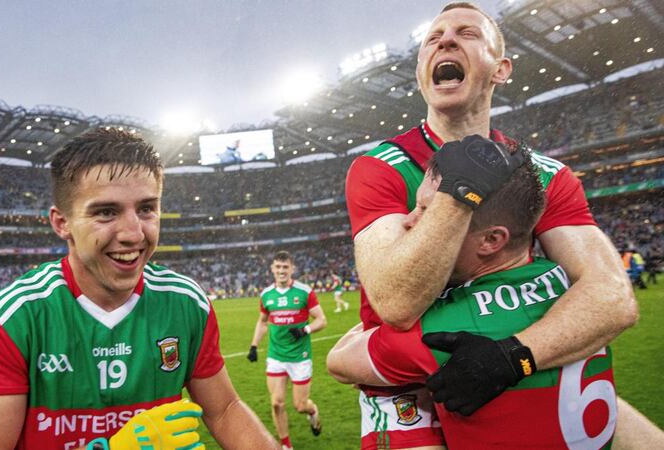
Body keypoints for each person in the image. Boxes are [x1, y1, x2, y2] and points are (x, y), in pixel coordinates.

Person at [344, 1, 638, 439]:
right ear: (423, 71)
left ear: (501, 69)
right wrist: (460, 191)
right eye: (432, 39)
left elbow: (613, 295)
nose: (444, 39)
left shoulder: (544, 175)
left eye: (467, 33)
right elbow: (398, 304)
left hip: (507, 358)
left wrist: (514, 355)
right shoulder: (381, 166)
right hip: (406, 385)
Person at [0, 129, 278, 450]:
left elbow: (224, 410)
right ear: (61, 222)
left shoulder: (186, 302)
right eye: (106, 212)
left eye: (147, 208)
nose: (134, 234)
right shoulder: (10, 320)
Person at [329, 149, 623, 448]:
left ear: (491, 239)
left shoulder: (442, 331)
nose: (407, 221)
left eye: (431, 214)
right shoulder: (578, 292)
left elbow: (340, 362)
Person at [247, 251, 327, 450]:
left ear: (292, 269)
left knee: (300, 406)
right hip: (276, 356)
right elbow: (262, 322)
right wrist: (254, 346)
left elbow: (322, 320)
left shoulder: (304, 292)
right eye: (278, 267)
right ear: (272, 269)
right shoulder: (266, 294)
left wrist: (305, 330)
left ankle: (313, 412)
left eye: (285, 267)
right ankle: (286, 445)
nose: (281, 271)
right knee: (276, 403)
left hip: (300, 357)